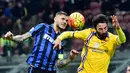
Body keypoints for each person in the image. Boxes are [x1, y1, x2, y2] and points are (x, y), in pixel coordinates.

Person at [4, 11, 76, 73]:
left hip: (51, 71)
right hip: (36, 69)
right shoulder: (43, 27)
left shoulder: (62, 40)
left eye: (67, 21)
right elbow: (22, 37)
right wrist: (12, 38)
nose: (65, 22)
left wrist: (70, 59)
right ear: (55, 19)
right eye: (63, 19)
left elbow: (59, 63)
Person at [53, 14, 126, 73]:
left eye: (105, 28)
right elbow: (68, 33)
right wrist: (59, 39)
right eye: (100, 29)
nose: (103, 31)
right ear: (95, 28)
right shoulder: (88, 33)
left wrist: (118, 28)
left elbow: (123, 40)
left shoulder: (112, 38)